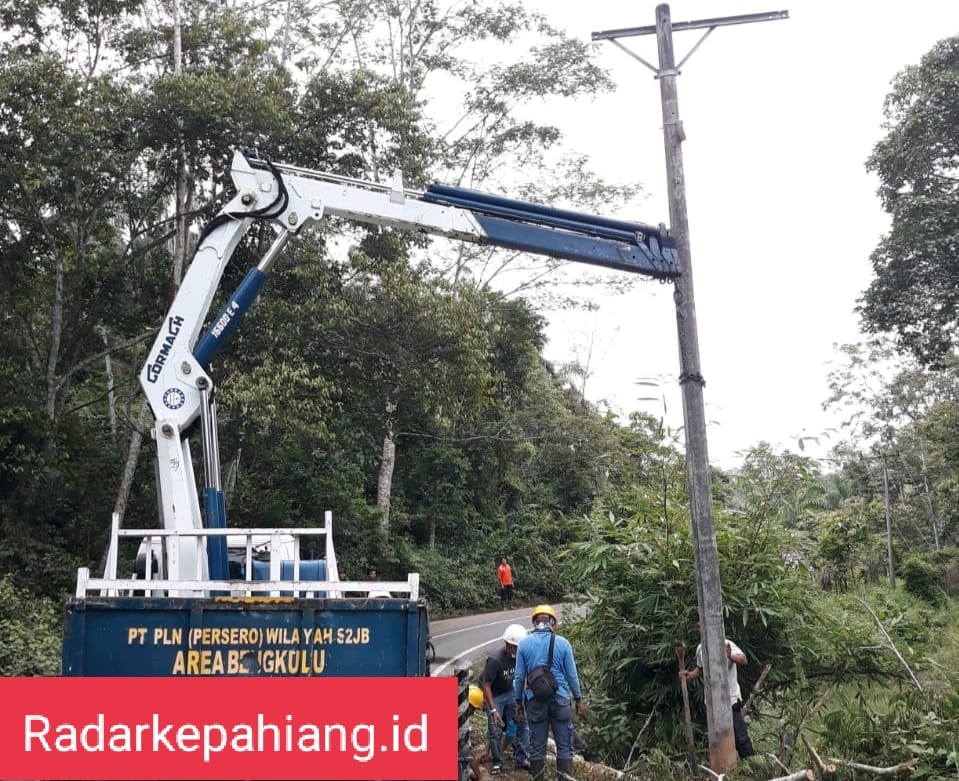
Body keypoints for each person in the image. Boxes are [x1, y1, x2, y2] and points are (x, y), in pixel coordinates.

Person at [513, 605, 586, 781]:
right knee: (564, 747)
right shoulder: (563, 643)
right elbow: (572, 675)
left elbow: (519, 677)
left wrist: (518, 702)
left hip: (535, 701)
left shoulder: (524, 644)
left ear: (534, 622)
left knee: (537, 747)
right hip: (560, 699)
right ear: (552, 622)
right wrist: (578, 699)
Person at [678, 637, 755, 759]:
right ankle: (725, 770)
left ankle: (752, 766)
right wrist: (689, 675)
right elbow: (701, 669)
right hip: (712, 703)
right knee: (720, 740)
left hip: (731, 699)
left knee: (741, 739)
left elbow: (743, 659)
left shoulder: (726, 644)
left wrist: (730, 656)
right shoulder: (700, 648)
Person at [480, 623, 530, 774]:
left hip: (510, 692)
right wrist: (494, 709)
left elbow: (524, 677)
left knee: (521, 723)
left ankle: (522, 758)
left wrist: (520, 700)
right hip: (494, 695)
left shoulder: (521, 657)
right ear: (508, 645)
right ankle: (497, 762)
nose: (515, 651)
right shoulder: (495, 660)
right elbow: (486, 684)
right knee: (495, 729)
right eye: (514, 647)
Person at [460, 685, 484, 781]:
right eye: (473, 709)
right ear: (468, 704)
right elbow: (469, 754)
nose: (473, 713)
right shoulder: (461, 721)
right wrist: (480, 777)